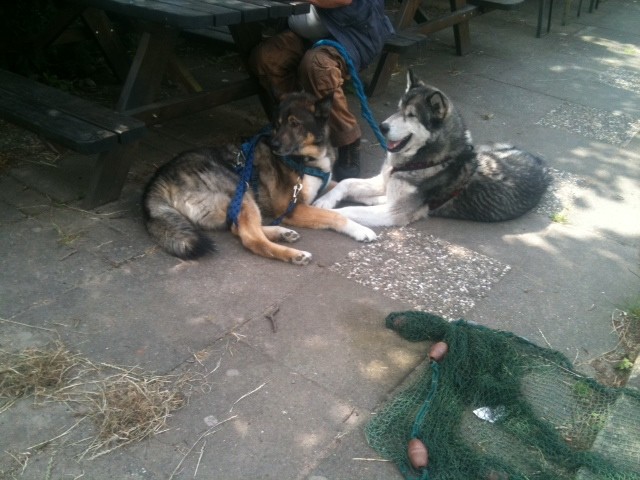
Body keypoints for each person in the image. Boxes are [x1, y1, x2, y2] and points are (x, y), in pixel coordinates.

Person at [248, 0, 394, 181]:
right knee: (267, 58)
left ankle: (348, 140)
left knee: (317, 65)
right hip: (304, 33)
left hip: (351, 35)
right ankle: (294, 127)